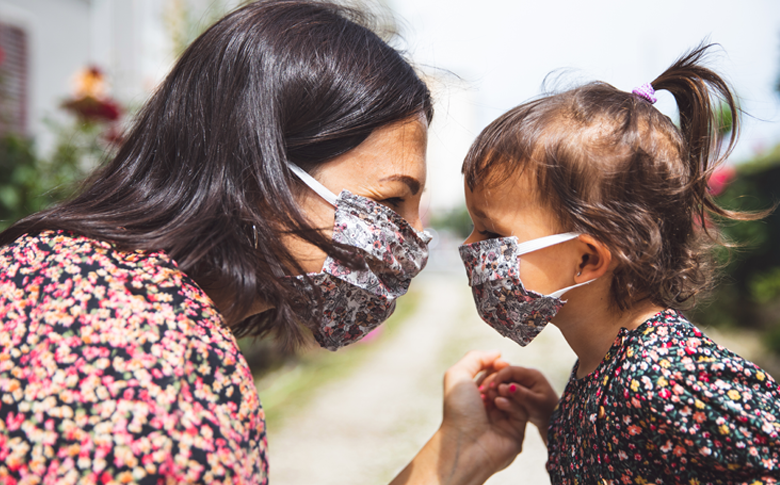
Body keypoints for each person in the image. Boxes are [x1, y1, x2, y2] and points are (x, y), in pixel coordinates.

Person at [0, 1, 528, 483]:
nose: (415, 240)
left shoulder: (54, 268)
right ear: (261, 174)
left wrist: (452, 459)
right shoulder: (164, 388)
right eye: (389, 203)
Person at [458, 43, 780, 484]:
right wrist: (555, 422)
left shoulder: (671, 380)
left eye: (491, 234)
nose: (470, 246)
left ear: (587, 259)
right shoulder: (603, 365)